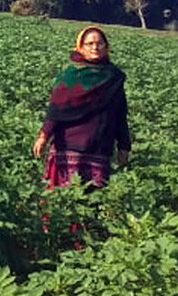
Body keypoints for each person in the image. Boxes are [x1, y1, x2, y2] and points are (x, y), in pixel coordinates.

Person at [32, 26, 131, 188]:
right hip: (69, 146)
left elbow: (120, 113)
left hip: (100, 147)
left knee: (93, 204)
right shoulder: (70, 75)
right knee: (62, 201)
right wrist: (43, 136)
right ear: (80, 47)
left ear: (107, 47)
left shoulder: (114, 77)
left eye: (99, 43)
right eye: (89, 43)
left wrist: (124, 145)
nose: (95, 47)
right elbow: (55, 109)